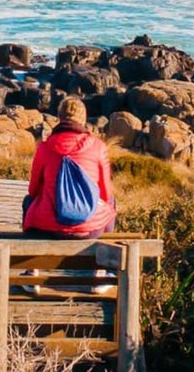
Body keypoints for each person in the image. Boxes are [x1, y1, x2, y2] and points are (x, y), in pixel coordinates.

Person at [22, 96, 116, 294]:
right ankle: (97, 276)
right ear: (83, 119)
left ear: (59, 117)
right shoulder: (98, 146)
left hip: (48, 227)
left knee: (28, 201)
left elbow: (33, 190)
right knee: (112, 203)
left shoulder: (45, 147)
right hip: (89, 228)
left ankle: (32, 273)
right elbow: (106, 194)